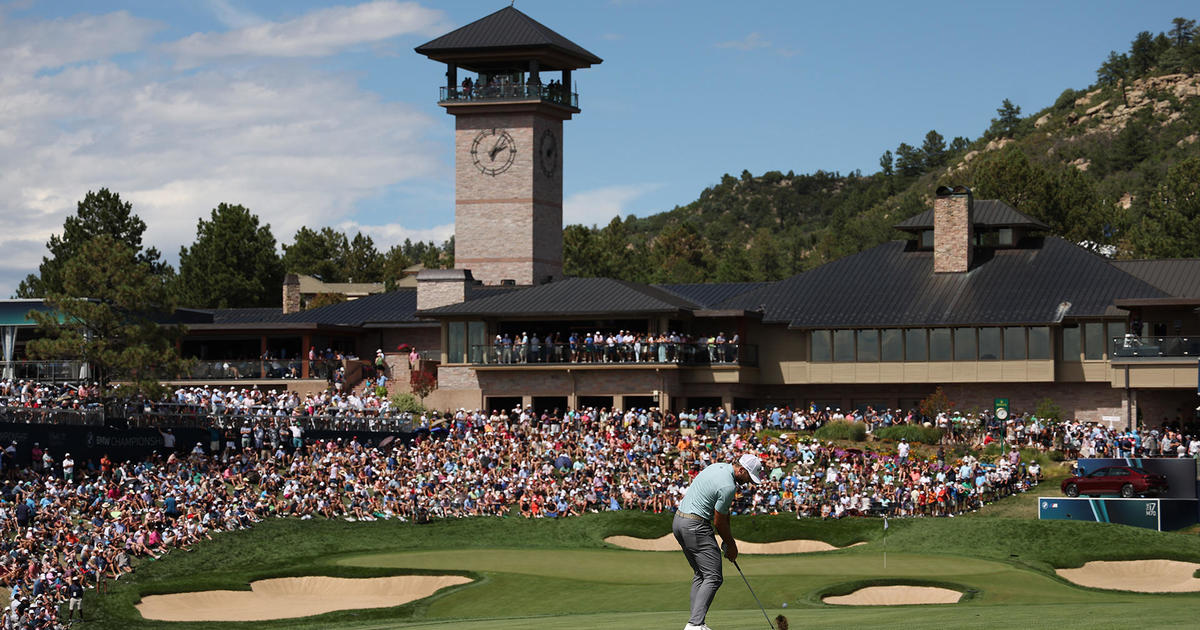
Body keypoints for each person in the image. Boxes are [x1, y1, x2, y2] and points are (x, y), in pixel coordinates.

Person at [673, 453, 763, 630]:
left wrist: (727, 541)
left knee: (701, 574)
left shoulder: (717, 467)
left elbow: (723, 514)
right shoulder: (728, 486)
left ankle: (697, 622)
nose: (749, 482)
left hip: (678, 522)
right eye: (748, 477)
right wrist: (731, 544)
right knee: (713, 577)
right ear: (741, 470)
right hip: (695, 526)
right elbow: (718, 521)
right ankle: (694, 625)